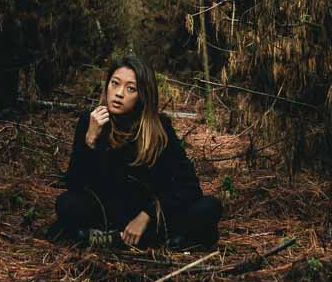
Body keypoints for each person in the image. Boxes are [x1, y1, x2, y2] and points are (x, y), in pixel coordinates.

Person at [50, 54, 222, 249]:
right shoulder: (91, 121)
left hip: (151, 215)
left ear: (142, 95)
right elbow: (74, 185)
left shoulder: (159, 128)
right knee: (67, 204)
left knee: (209, 207)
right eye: (115, 84)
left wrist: (146, 215)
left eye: (130, 88)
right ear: (106, 85)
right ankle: (161, 241)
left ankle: (109, 239)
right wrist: (90, 141)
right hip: (108, 212)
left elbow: (189, 186)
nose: (119, 93)